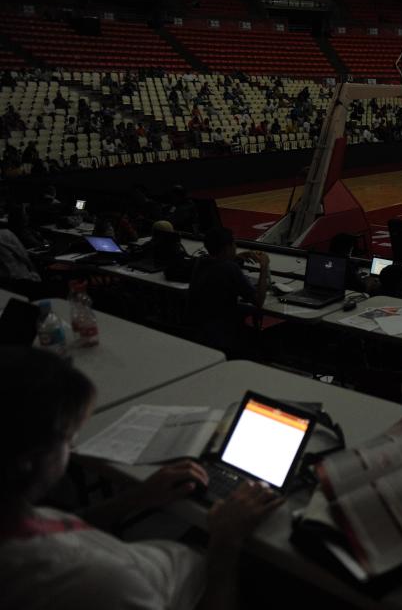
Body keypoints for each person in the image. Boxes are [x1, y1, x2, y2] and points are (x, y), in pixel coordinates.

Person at [0, 347, 283, 610]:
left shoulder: (11, 508)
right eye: (68, 438)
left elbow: (62, 524)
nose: (73, 446)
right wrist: (225, 545)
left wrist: (137, 497)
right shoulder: (93, 582)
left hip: (160, 561)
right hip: (200, 584)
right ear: (28, 461)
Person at [189, 227, 270, 357]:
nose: (235, 247)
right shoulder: (230, 268)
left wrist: (235, 257)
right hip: (224, 332)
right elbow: (259, 301)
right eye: (234, 244)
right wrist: (264, 266)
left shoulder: (201, 261)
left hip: (203, 327)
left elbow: (218, 267)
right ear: (227, 247)